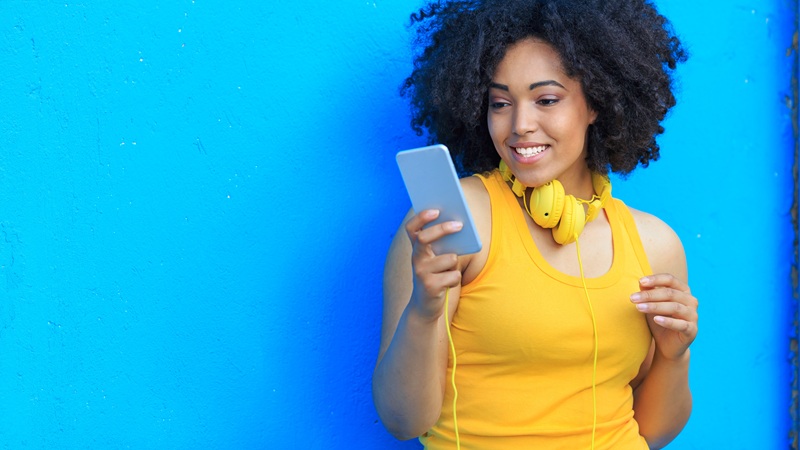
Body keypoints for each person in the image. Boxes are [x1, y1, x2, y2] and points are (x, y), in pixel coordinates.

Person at [373, 0, 698, 449]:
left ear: (596, 103)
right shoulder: (453, 220)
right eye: (500, 103)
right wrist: (424, 311)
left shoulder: (656, 244)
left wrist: (674, 356)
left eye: (546, 100)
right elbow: (403, 420)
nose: (520, 125)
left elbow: (652, 433)